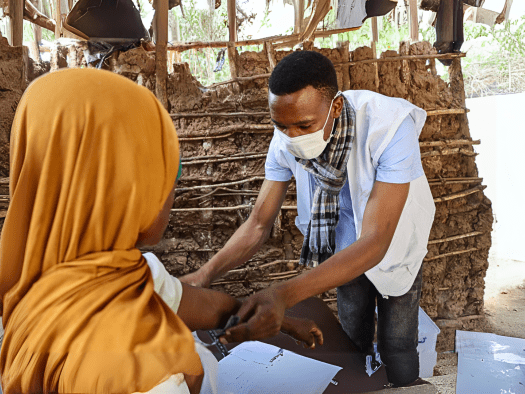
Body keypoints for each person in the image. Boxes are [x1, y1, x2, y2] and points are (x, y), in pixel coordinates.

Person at [0, 68, 322, 394]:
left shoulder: (44, 285)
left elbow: (187, 301)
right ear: (129, 189)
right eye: (166, 173)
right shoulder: (140, 372)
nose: (171, 191)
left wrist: (272, 319)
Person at [181, 50, 436, 387]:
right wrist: (203, 275)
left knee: (398, 342)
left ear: (335, 108)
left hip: (394, 247)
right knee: (350, 341)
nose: (293, 137)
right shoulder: (285, 138)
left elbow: (376, 240)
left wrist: (284, 296)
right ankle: (364, 385)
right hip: (343, 251)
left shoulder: (389, 127)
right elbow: (258, 223)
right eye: (281, 125)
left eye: (304, 125)